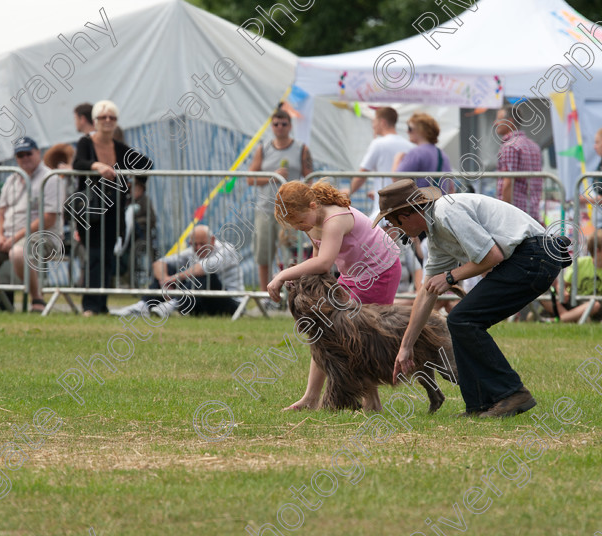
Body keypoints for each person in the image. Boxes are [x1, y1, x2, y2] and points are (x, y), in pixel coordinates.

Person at [376, 179, 567, 418]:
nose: (395, 229)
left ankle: (512, 393)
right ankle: (479, 405)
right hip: (530, 259)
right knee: (461, 320)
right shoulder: (436, 236)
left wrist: (450, 277)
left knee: (462, 319)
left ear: (404, 215)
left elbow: (492, 255)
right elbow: (426, 293)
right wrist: (405, 347)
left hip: (534, 257)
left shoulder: (446, 211)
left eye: (392, 222)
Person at [269, 181, 402, 411]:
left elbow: (324, 262)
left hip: (379, 271)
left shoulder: (335, 219)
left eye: (300, 221)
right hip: (353, 273)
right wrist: (298, 277)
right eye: (294, 225)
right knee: (324, 329)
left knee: (361, 336)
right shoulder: (310, 222)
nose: (300, 227)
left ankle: (371, 401)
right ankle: (310, 398)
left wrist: (283, 274)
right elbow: (317, 259)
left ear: (312, 205)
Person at [72, 100, 153, 316]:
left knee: (107, 257)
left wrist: (136, 185)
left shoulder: (119, 147)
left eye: (112, 117)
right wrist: (96, 166)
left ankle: (102, 305)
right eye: (103, 117)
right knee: (94, 256)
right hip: (89, 211)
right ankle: (90, 305)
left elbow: (146, 164)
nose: (107, 121)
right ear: (95, 120)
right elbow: (77, 163)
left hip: (114, 210)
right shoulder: (85, 143)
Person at [0, 137, 63, 313]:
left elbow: (48, 218)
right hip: (8, 236)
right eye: (20, 155)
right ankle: (2, 298)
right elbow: (0, 213)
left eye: (28, 153)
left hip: (43, 236)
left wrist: (14, 238)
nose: (25, 158)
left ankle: (37, 299)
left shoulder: (50, 178)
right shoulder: (12, 178)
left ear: (38, 153)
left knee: (18, 252)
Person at [247, 108, 313, 301]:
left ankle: (293, 297)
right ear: (272, 126)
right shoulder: (263, 147)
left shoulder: (301, 148)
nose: (280, 127)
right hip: (266, 208)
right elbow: (250, 179)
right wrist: (272, 176)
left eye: (284, 124)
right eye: (276, 124)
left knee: (292, 255)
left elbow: (310, 178)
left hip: (291, 211)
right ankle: (265, 297)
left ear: (290, 126)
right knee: (263, 254)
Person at [111, 225, 243, 317]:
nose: (198, 248)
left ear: (213, 240)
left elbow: (202, 269)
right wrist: (164, 280)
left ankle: (173, 304)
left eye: (202, 244)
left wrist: (173, 279)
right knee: (170, 268)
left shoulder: (227, 250)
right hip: (201, 305)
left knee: (204, 276)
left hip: (231, 304)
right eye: (194, 244)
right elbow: (159, 263)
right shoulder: (193, 251)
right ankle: (144, 305)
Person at [542, 229, 602, 323]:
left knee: (594, 304)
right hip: (573, 303)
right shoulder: (579, 264)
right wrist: (562, 291)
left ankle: (558, 320)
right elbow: (563, 284)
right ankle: (569, 318)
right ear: (597, 250)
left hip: (595, 308)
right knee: (542, 293)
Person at [350, 107, 413, 220]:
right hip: (404, 206)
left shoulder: (378, 144)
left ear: (382, 122)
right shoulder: (409, 146)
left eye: (374, 121)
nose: (372, 125)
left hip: (383, 208)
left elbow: (362, 174)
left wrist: (349, 192)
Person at [494, 104, 543, 223]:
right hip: (532, 212)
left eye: (498, 119)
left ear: (509, 122)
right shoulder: (534, 146)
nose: (495, 123)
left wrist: (503, 214)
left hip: (515, 214)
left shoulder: (510, 146)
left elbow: (508, 182)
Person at [394, 112, 452, 192]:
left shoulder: (416, 153)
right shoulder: (442, 155)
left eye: (410, 128)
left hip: (422, 202)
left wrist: (398, 158)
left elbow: (396, 179)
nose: (407, 131)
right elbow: (451, 187)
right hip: (441, 201)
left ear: (421, 130)